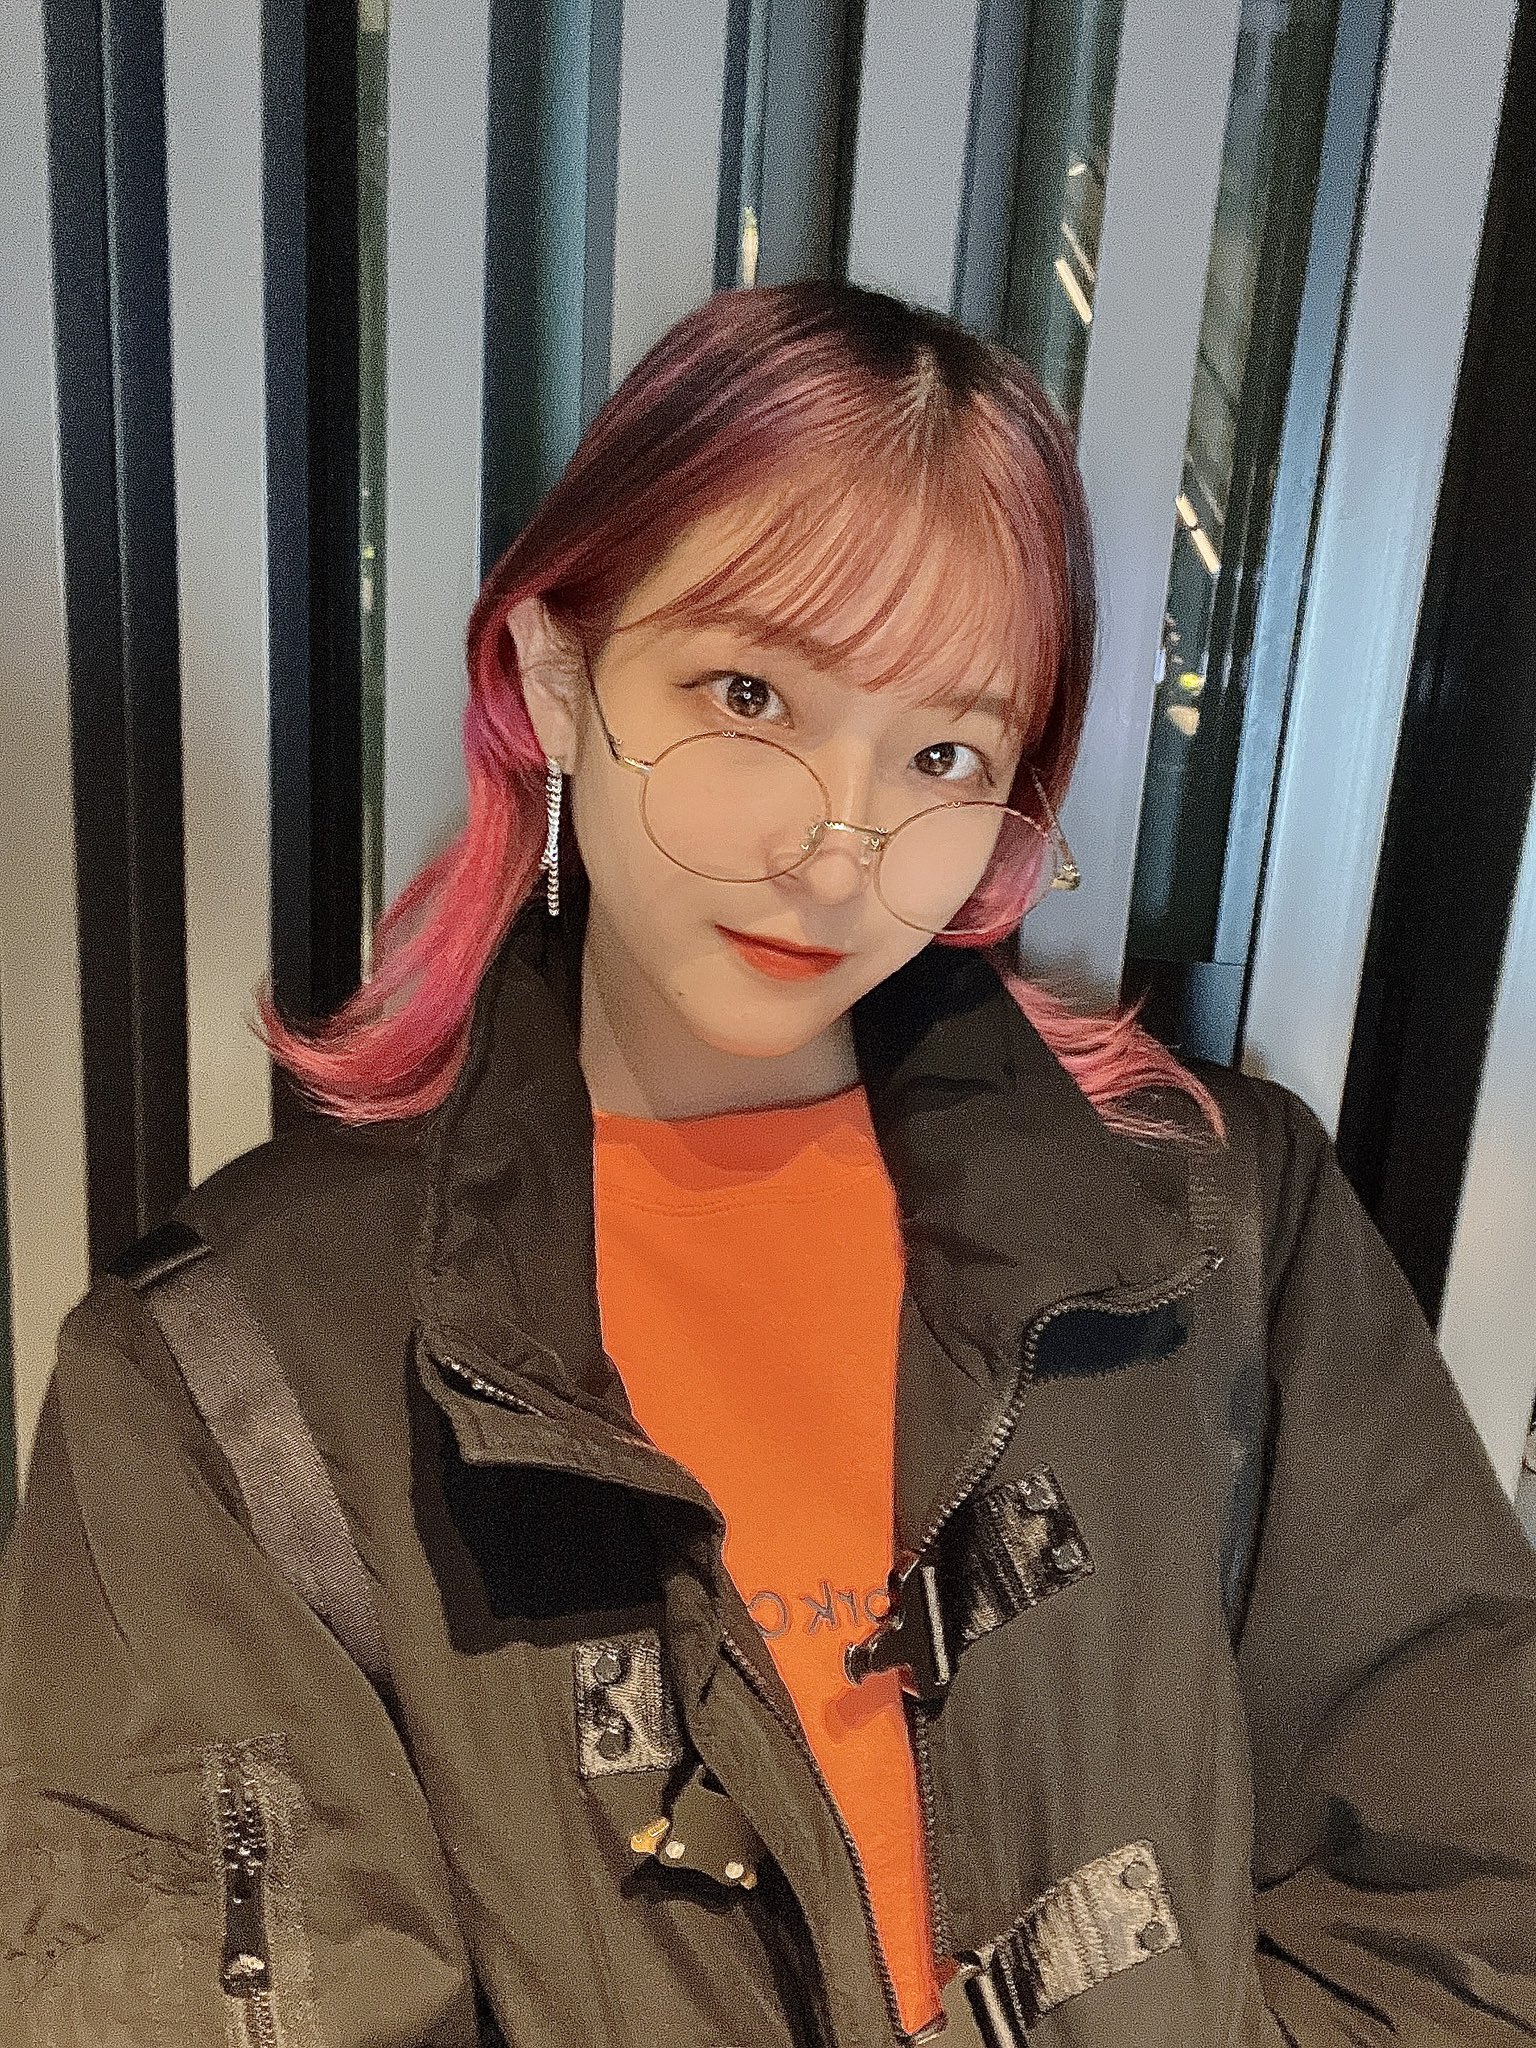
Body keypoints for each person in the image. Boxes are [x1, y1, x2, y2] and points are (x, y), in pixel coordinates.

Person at [1, 280, 1533, 2048]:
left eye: (942, 753)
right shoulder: (235, 1374)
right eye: (751, 695)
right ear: (557, 677)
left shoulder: (1217, 1233)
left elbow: (1463, 1907)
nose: (837, 848)